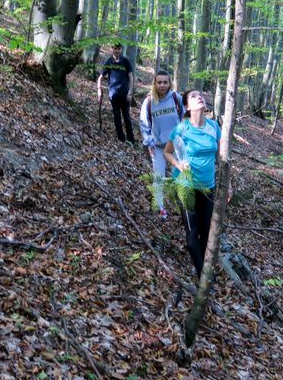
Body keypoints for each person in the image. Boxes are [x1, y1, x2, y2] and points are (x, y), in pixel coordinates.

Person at [163, 90, 226, 278]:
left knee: (207, 234)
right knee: (192, 237)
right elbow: (167, 152)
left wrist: (227, 184)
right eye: (193, 96)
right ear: (187, 107)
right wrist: (178, 165)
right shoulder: (182, 128)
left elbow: (222, 158)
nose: (199, 97)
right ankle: (203, 277)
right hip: (186, 186)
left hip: (208, 187)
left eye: (201, 95)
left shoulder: (214, 126)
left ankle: (206, 271)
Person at [139, 70, 185, 220]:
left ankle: (181, 206)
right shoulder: (149, 101)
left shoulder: (176, 98)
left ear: (169, 83)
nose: (162, 85)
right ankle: (160, 208)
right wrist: (149, 142)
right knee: (158, 177)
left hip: (176, 146)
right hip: (158, 147)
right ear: (155, 83)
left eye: (165, 82)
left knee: (179, 176)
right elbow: (144, 123)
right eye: (159, 82)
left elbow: (184, 118)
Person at [96, 43, 136, 144]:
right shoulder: (109, 62)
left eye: (118, 49)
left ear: (121, 50)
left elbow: (131, 77)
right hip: (113, 94)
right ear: (112, 49)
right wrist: (99, 90)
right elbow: (100, 77)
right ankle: (121, 139)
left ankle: (131, 139)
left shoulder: (125, 61)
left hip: (125, 94)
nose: (117, 51)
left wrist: (130, 92)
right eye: (115, 48)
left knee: (126, 116)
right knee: (117, 116)